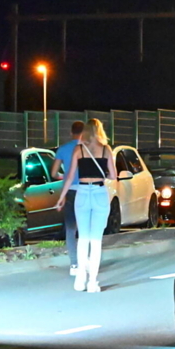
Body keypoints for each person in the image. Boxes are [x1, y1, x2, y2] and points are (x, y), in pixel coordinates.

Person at [54, 118, 117, 292]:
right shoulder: (106, 149)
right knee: (96, 240)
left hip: (81, 192)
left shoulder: (78, 149)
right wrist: (102, 171)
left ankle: (80, 279)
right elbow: (113, 175)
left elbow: (69, 175)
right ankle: (92, 282)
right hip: (98, 193)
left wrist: (62, 196)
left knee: (83, 238)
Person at [50, 120, 85, 274]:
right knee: (85, 227)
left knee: (70, 228)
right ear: (84, 133)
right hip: (86, 190)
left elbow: (53, 173)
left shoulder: (63, 149)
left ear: (71, 133)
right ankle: (86, 260)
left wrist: (63, 177)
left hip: (69, 190)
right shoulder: (88, 149)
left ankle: (74, 264)